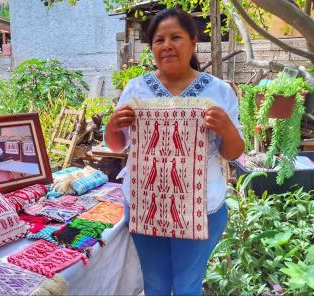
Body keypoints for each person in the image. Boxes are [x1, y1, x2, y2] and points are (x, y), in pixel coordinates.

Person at [105, 8, 245, 296]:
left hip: (202, 206)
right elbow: (118, 145)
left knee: (187, 286)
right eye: (158, 40)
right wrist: (112, 126)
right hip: (146, 205)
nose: (166, 45)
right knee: (154, 284)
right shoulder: (136, 88)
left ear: (194, 41)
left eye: (176, 37)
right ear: (152, 48)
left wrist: (228, 130)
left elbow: (232, 153)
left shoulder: (218, 91)